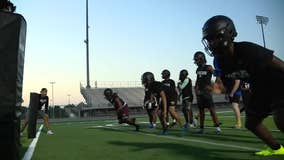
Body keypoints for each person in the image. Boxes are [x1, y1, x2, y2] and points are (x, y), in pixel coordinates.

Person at [202, 15, 284, 156]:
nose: (211, 43)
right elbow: (229, 82)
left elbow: (280, 65)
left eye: (214, 38)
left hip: (278, 85)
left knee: (281, 120)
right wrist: (217, 89)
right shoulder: (221, 61)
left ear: (229, 34)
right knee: (251, 123)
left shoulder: (247, 49)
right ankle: (277, 149)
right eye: (209, 40)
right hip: (259, 88)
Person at [194, 51, 221, 134]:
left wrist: (213, 87)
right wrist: (196, 90)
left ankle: (217, 128)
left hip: (207, 93)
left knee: (212, 110)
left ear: (201, 59)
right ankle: (201, 128)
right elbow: (198, 81)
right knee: (201, 111)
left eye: (197, 59)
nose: (196, 61)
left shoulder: (209, 67)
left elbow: (218, 75)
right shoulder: (198, 69)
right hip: (200, 93)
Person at [214, 58, 242, 129]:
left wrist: (232, 93)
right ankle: (238, 122)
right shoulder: (225, 72)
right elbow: (226, 84)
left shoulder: (234, 70)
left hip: (236, 91)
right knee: (234, 106)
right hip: (230, 91)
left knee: (235, 106)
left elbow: (237, 82)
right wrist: (227, 93)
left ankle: (239, 123)